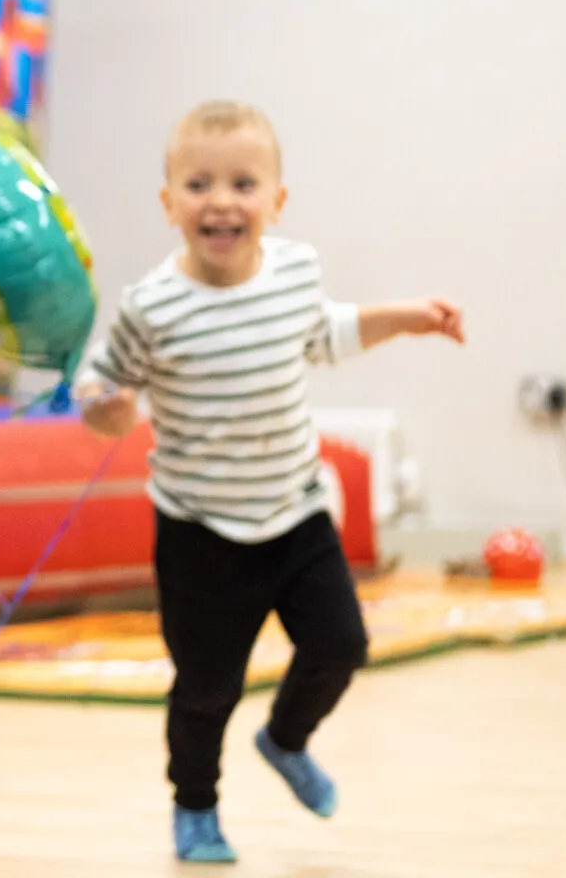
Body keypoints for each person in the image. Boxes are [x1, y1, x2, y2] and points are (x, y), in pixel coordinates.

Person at [77, 100, 464, 865]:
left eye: (243, 183)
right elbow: (102, 388)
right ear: (169, 205)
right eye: (198, 184)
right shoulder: (151, 308)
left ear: (276, 202)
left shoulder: (295, 270)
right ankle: (195, 809)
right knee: (204, 689)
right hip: (199, 534)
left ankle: (285, 739)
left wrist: (406, 316)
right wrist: (108, 411)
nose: (221, 200)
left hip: (295, 511)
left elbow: (328, 330)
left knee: (341, 645)